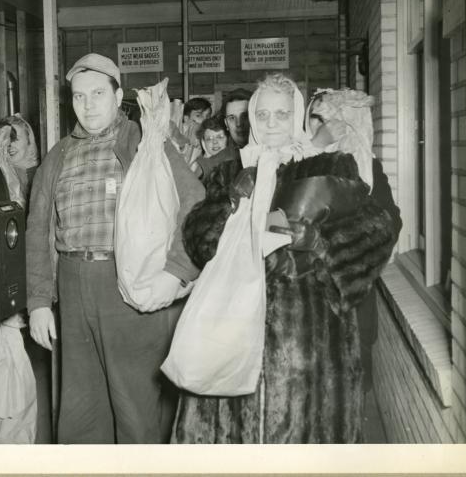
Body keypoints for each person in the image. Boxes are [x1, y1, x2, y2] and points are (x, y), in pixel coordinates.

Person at [172, 73, 398, 443]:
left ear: (295, 115)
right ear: (251, 121)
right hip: (231, 341)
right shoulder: (230, 172)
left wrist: (318, 248)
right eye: (263, 115)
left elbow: (377, 232)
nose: (272, 124)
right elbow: (197, 235)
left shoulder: (330, 167)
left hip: (310, 349)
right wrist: (232, 209)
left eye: (281, 114)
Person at [26, 53, 204, 444]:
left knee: (135, 410)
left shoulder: (143, 141)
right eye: (78, 96)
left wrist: (176, 271)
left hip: (127, 287)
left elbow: (194, 200)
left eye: (97, 94)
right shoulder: (57, 157)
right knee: (78, 412)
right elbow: (38, 230)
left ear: (118, 95)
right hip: (73, 287)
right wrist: (39, 301)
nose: (87, 105)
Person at [305, 87, 403, 438]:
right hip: (303, 309)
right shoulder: (297, 163)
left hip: (351, 306)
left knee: (349, 405)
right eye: (316, 118)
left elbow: (390, 223)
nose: (323, 127)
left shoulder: (366, 167)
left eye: (331, 119)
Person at [191, 116, 240, 180]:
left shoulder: (233, 157)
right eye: (209, 139)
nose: (214, 142)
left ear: (228, 138)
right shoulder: (197, 164)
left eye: (220, 137)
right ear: (203, 142)